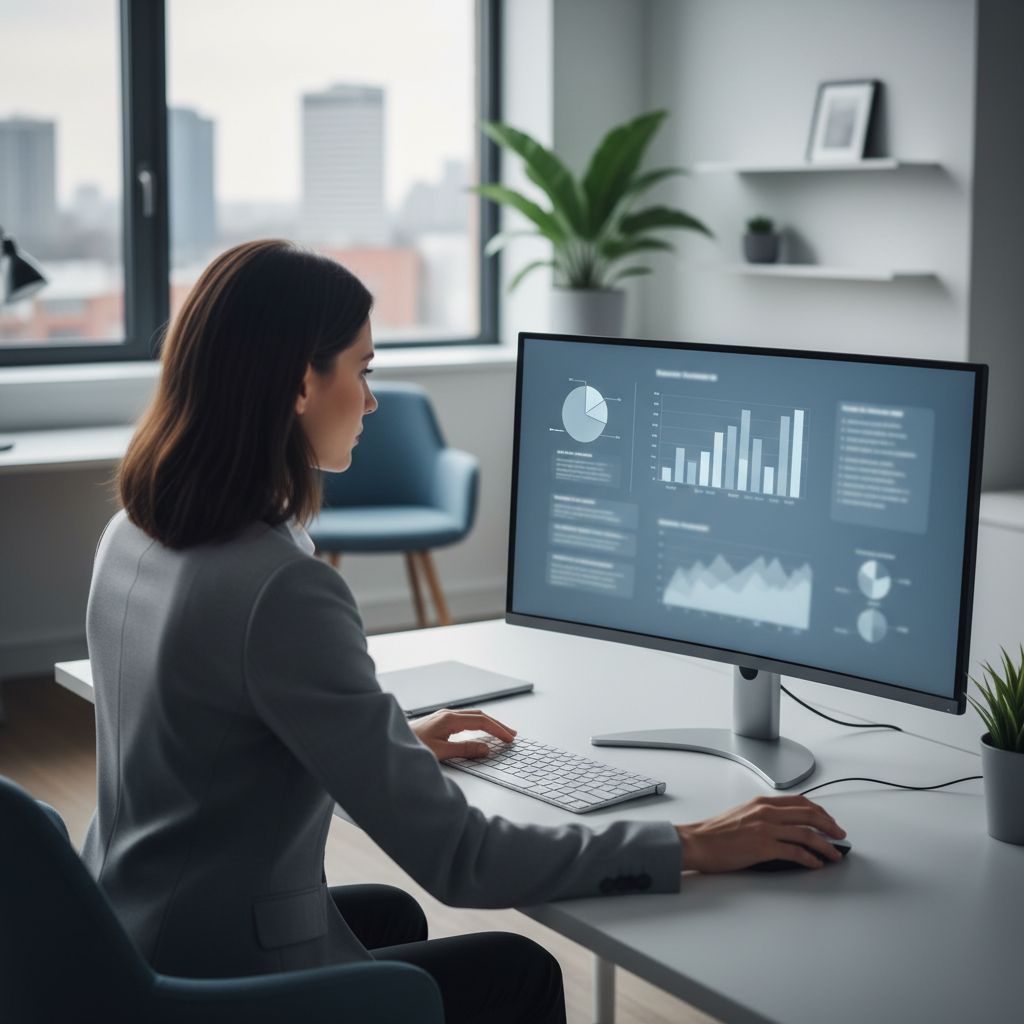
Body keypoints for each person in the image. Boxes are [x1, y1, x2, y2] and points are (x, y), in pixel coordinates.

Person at [82, 239, 846, 1024]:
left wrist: (394, 744)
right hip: (208, 986)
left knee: (388, 915)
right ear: (299, 385)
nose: (373, 401)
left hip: (123, 934)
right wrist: (693, 843)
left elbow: (216, 737)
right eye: (364, 369)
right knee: (517, 969)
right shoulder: (282, 587)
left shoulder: (134, 532)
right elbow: (460, 859)